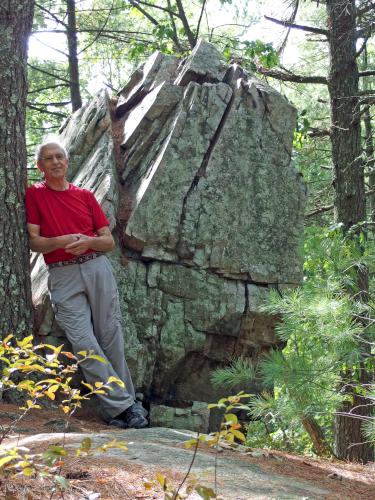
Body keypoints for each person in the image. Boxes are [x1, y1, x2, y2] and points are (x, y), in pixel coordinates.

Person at [25, 138, 147, 429]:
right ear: (40, 166)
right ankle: (127, 405)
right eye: (48, 159)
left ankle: (123, 409)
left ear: (66, 162)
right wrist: (64, 241)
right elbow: (34, 241)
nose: (55, 162)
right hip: (62, 273)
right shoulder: (35, 195)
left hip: (96, 267)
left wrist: (88, 242)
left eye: (59, 157)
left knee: (111, 337)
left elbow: (108, 241)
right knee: (83, 343)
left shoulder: (84, 195)